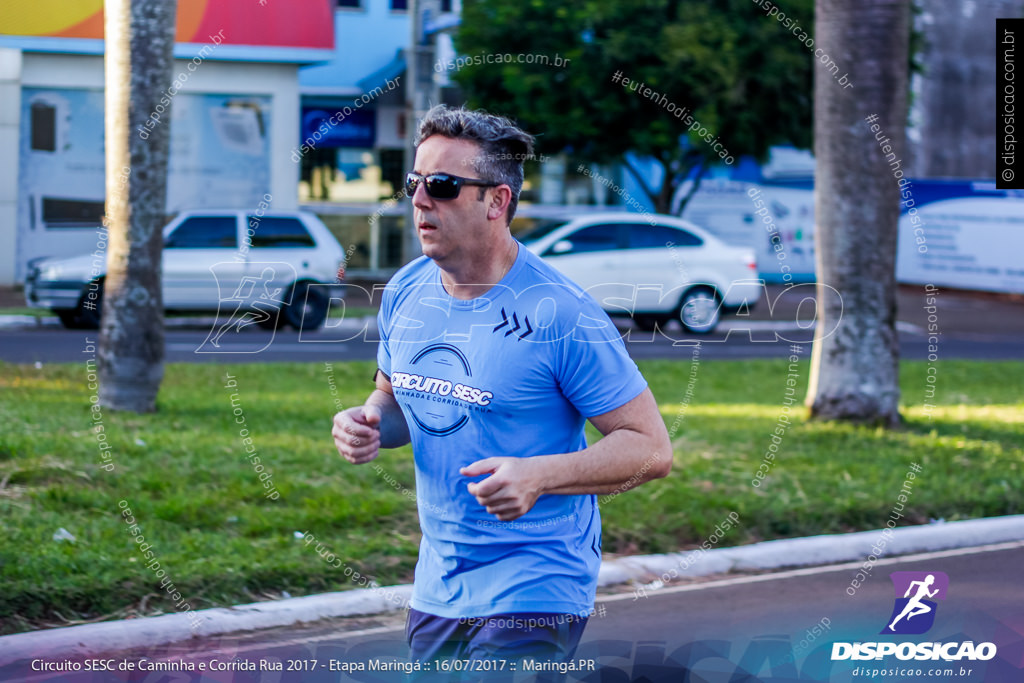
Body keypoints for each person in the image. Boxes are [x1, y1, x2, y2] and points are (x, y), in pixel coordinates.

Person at [331, 105, 672, 671]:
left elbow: (651, 448)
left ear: (497, 201)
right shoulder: (406, 290)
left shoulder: (561, 312)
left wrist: (540, 476)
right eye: (414, 182)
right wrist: (366, 422)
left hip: (536, 581)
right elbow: (393, 399)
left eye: (442, 185)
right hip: (439, 581)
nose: (419, 200)